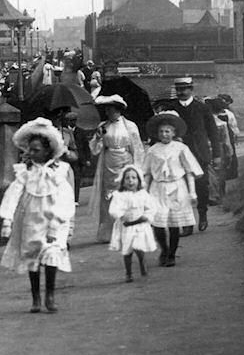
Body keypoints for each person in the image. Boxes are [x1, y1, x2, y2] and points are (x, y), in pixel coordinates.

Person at [0, 118, 75, 313]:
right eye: (29, 150)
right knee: (32, 255)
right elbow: (13, 194)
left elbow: (65, 198)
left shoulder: (58, 173)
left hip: (52, 219)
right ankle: (35, 296)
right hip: (31, 219)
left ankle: (50, 294)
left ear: (48, 151)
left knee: (51, 254)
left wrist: (56, 222)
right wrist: (7, 218)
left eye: (36, 150)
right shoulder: (25, 173)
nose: (31, 154)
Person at [157, 76, 220, 231]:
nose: (181, 92)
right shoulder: (171, 109)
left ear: (191, 89)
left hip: (199, 152)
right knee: (181, 188)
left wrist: (216, 154)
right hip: (177, 154)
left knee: (201, 186)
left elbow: (213, 131)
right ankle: (186, 223)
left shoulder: (202, 108)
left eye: (184, 89)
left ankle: (202, 213)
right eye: (178, 89)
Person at [141, 111, 202, 267]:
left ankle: (172, 254)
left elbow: (189, 171)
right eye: (161, 131)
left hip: (176, 187)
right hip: (158, 187)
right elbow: (147, 173)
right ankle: (164, 249)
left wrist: (192, 192)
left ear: (174, 133)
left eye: (167, 131)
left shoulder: (180, 148)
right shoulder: (153, 150)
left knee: (174, 222)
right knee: (158, 221)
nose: (164, 134)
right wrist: (143, 192)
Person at [87, 94, 147, 242]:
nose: (108, 112)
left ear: (118, 110)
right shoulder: (103, 127)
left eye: (111, 109)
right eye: (107, 110)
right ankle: (110, 231)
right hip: (109, 163)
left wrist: (137, 167)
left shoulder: (130, 126)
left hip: (126, 161)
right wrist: (99, 137)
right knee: (109, 196)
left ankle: (129, 227)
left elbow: (137, 147)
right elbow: (95, 149)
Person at [107, 164, 160, 281]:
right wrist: (121, 215)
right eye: (127, 178)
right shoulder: (119, 195)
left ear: (139, 180)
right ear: (122, 180)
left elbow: (151, 207)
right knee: (128, 250)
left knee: (139, 246)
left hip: (140, 224)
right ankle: (128, 273)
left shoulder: (143, 194)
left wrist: (147, 216)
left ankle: (142, 264)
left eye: (133, 178)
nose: (131, 181)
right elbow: (113, 209)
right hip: (127, 226)